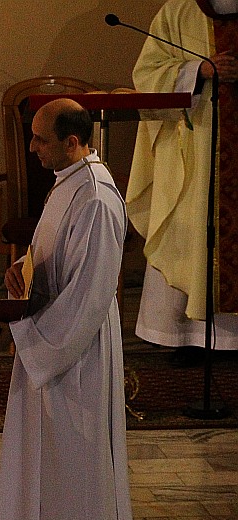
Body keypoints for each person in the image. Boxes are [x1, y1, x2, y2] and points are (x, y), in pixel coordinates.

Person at [0, 99, 138, 520]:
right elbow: (54, 253)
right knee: (43, 457)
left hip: (75, 349)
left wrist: (38, 343)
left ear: (73, 142)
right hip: (49, 334)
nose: (31, 147)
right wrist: (23, 269)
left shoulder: (96, 197)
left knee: (78, 461)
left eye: (40, 139)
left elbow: (90, 290)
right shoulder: (67, 182)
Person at [128, 0, 238, 366]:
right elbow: (147, 73)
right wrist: (199, 70)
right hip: (195, 149)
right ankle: (185, 334)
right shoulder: (178, 12)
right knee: (188, 230)